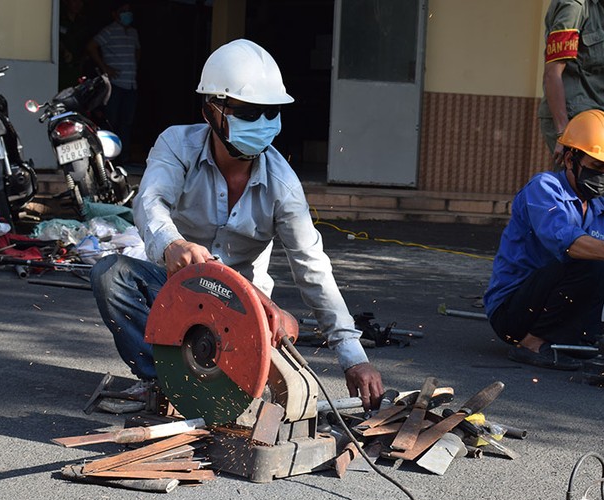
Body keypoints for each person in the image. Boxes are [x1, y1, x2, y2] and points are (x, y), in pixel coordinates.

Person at [90, 39, 384, 413]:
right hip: (179, 288)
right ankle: (165, 382)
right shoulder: (176, 145)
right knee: (110, 274)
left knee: (287, 326)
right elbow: (151, 202)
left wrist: (353, 357)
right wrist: (171, 244)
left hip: (244, 306)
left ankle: (220, 380)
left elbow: (313, 269)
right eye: (248, 112)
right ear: (211, 110)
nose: (262, 124)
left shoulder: (283, 185)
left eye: (270, 112)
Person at [484, 110, 604, 370]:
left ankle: (579, 340)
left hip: (552, 307)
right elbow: (567, 241)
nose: (603, 175)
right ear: (569, 159)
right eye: (596, 167)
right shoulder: (543, 189)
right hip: (513, 313)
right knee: (594, 259)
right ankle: (531, 344)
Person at [538, 0, 604, 221]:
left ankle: (575, 252)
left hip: (597, 116)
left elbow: (599, 70)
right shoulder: (573, 6)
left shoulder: (600, 7)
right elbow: (553, 72)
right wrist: (564, 132)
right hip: (575, 120)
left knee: (578, 203)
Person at [86, 1, 140, 162]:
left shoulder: (133, 33)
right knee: (112, 121)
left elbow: (138, 50)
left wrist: (135, 65)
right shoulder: (109, 31)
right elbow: (91, 46)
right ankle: (107, 158)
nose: (127, 14)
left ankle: (123, 158)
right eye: (123, 11)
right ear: (115, 14)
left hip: (131, 84)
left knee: (127, 123)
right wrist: (105, 67)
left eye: (128, 11)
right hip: (115, 85)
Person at [58, 0, 90, 90]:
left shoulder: (83, 22)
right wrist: (64, 50)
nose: (78, 4)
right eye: (74, 1)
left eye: (80, 1)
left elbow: (87, 43)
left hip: (78, 68)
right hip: (61, 68)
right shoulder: (58, 19)